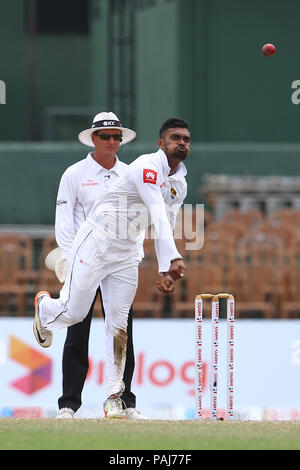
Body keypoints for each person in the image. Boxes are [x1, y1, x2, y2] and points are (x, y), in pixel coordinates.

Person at [33, 116, 190, 419]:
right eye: (175, 138)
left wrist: (164, 269)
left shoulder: (178, 182)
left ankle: (114, 398)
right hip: (94, 244)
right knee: (75, 315)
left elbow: (165, 224)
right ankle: (45, 309)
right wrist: (171, 259)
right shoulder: (146, 165)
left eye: (185, 139)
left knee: (119, 326)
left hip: (125, 254)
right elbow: (155, 210)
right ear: (161, 143)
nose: (181, 144)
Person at [49, 112, 147, 420]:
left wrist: (136, 251)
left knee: (121, 330)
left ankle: (123, 401)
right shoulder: (74, 174)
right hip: (85, 259)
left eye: (117, 136)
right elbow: (64, 223)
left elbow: (138, 220)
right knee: (77, 328)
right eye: (105, 136)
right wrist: (69, 259)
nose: (112, 142)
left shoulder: (130, 174)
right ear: (93, 138)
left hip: (119, 259)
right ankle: (68, 404)